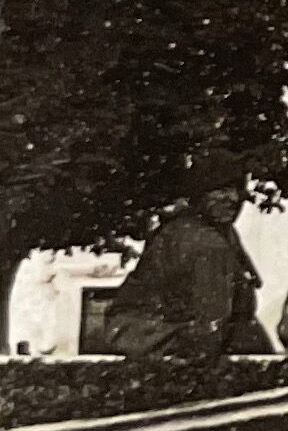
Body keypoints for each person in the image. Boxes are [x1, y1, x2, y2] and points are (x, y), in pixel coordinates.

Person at [100, 153, 272, 364]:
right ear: (199, 194)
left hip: (144, 335)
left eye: (238, 189)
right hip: (156, 340)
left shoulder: (208, 230)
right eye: (221, 189)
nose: (234, 198)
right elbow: (211, 328)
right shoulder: (206, 243)